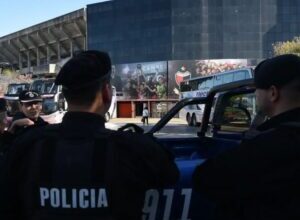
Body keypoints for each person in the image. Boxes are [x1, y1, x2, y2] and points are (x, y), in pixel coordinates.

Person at [0, 50, 179, 220]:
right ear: (107, 93)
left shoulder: (27, 146)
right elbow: (171, 175)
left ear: (65, 96)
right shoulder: (134, 149)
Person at [193, 54, 300, 220]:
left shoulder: (267, 147)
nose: (256, 94)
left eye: (258, 89)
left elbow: (204, 178)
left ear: (273, 93)